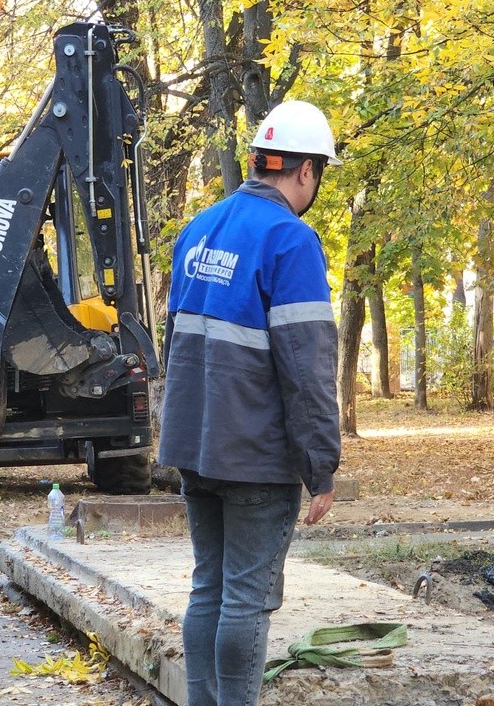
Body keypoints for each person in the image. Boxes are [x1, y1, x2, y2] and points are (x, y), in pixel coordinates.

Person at [158, 100, 342, 706]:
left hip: (194, 447)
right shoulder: (290, 240)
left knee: (207, 587)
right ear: (306, 172)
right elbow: (307, 365)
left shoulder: (200, 228)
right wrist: (321, 467)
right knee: (245, 596)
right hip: (255, 457)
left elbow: (175, 344)